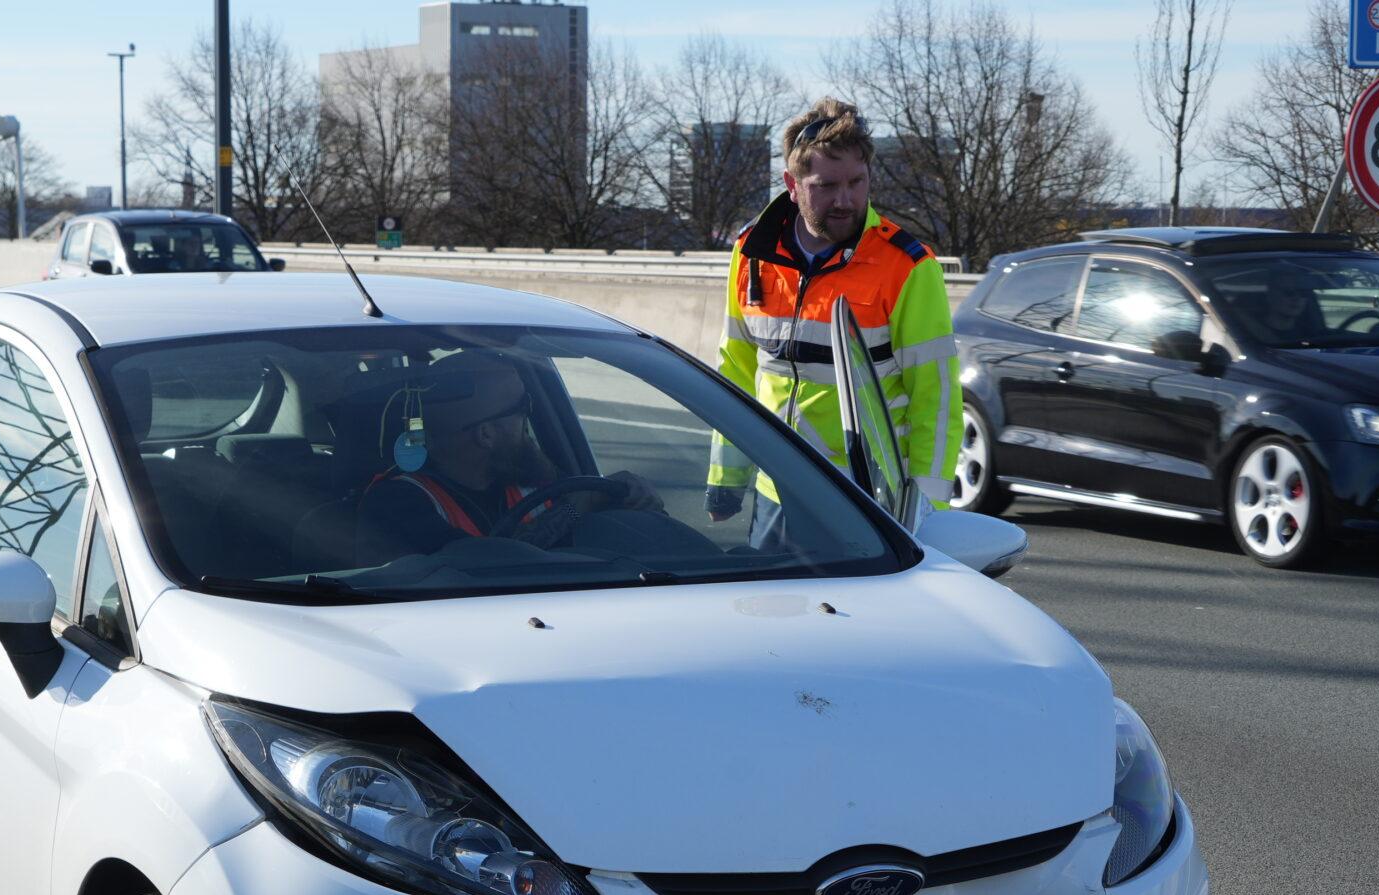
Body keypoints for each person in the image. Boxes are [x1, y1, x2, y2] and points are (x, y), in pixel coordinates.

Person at [707, 98, 962, 542]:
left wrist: (926, 509)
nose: (846, 201)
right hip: (776, 492)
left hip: (867, 502)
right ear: (792, 184)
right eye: (826, 186)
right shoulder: (751, 254)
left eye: (857, 182)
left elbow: (935, 402)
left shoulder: (907, 268)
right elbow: (737, 370)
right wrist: (727, 478)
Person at [354, 351, 665, 564]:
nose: (527, 426)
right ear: (486, 434)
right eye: (522, 410)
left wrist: (624, 497)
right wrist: (576, 508)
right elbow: (481, 566)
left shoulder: (530, 480)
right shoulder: (398, 503)